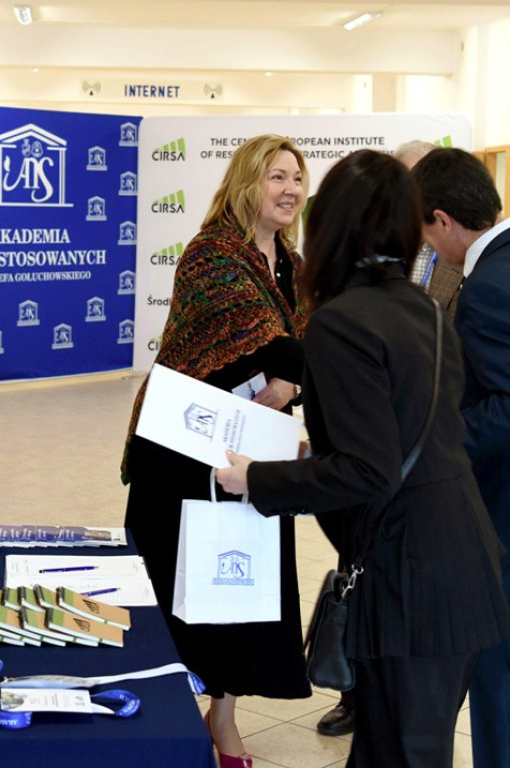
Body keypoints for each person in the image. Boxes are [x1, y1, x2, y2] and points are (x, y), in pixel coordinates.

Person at [217, 149, 510, 766]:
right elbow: (411, 432)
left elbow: (368, 470)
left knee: (402, 750)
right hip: (461, 568)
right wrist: (313, 453)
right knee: (392, 746)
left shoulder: (341, 321)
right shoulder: (423, 308)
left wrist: (258, 479)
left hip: (412, 580)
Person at [122, 134, 310, 768]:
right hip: (181, 449)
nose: (289, 189)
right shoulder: (212, 255)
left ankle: (223, 719)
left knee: (243, 583)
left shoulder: (294, 264)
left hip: (253, 451)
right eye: (276, 176)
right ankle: (164, 715)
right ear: (247, 182)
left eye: (297, 177)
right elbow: (272, 345)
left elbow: (295, 348)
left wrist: (293, 381)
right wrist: (297, 371)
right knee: (176, 585)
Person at [411, 147, 510, 768]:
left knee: (495, 663)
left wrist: (432, 439)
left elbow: (507, 404)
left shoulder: (489, 287)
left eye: (424, 229)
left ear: (443, 220)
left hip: (501, 507)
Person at [394, 140, 462, 317]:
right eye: (411, 182)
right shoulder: (376, 246)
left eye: (427, 182)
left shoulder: (462, 250)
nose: (419, 192)